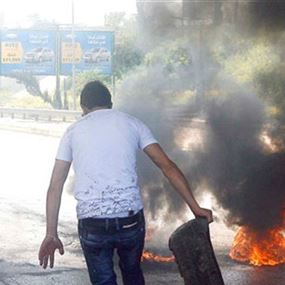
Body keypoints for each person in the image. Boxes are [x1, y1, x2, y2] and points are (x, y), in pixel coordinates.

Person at [38, 80, 213, 285]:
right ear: (110, 104)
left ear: (83, 108)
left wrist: (51, 233)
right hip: (130, 221)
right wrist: (195, 206)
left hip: (92, 223)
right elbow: (167, 166)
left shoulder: (72, 132)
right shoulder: (132, 123)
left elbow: (55, 185)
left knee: (104, 280)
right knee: (132, 274)